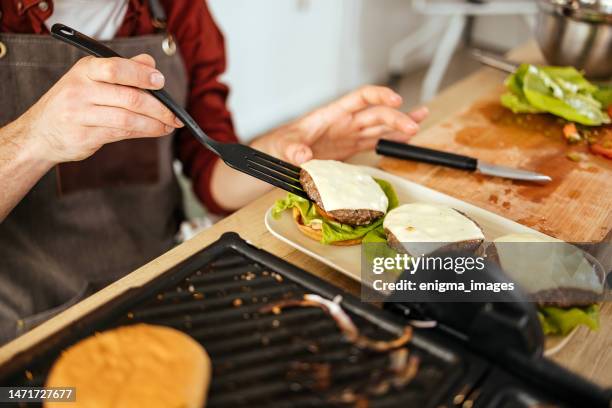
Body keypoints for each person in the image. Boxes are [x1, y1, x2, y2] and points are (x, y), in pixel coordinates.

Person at [0, 0, 428, 343]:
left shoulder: (179, 9)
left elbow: (212, 175)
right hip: (30, 323)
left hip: (162, 284)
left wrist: (284, 152)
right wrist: (33, 139)